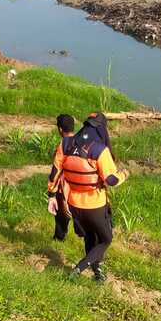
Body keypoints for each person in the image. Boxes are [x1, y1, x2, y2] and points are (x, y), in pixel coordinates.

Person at [47, 112, 128, 282]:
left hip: (74, 204)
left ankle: (98, 273)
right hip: (95, 205)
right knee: (106, 239)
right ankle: (79, 268)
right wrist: (125, 174)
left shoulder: (65, 144)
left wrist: (52, 196)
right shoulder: (100, 149)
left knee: (91, 237)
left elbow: (55, 173)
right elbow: (111, 180)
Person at [48, 113, 77, 241]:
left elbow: (56, 170)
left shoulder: (63, 145)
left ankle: (59, 239)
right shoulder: (82, 141)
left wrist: (51, 193)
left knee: (61, 216)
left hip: (64, 187)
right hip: (81, 185)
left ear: (60, 129)